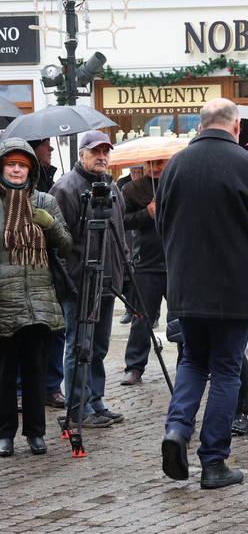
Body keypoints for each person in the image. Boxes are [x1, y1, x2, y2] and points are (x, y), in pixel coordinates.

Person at [157, 98, 248, 489]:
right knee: (227, 369)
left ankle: (177, 430)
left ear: (201, 125)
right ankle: (213, 462)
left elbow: (161, 222)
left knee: (193, 361)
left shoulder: (175, 165)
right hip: (233, 285)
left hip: (186, 285)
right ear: (237, 127)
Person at [50, 130, 128, 428]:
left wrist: (124, 273)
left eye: (106, 151)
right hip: (81, 282)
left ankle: (95, 402)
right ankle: (77, 408)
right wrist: (69, 280)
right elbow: (57, 242)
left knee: (99, 347)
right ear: (81, 154)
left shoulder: (111, 187)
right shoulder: (67, 189)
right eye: (96, 151)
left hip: (109, 281)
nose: (102, 157)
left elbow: (120, 235)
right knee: (80, 346)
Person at [0, 139, 73, 457]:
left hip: (40, 299)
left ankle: (35, 433)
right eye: (10, 164)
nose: (16, 169)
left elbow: (68, 245)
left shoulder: (45, 200)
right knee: (3, 374)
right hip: (3, 300)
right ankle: (4, 435)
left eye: (22, 165)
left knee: (35, 372)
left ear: (30, 169)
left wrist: (50, 224)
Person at [18, 138, 64, 409]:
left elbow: (64, 238)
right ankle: (20, 389)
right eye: (45, 144)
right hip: (15, 272)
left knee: (54, 331)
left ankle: (51, 387)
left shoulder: (50, 182)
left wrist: (50, 223)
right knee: (18, 334)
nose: (50, 148)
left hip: (47, 271)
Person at [120, 159, 169, 386]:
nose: (155, 167)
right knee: (141, 319)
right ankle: (134, 367)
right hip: (146, 263)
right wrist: (146, 213)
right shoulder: (132, 188)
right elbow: (121, 221)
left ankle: (192, 362)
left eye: (161, 162)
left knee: (184, 318)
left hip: (177, 262)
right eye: (151, 163)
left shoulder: (178, 181)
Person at [117, 165, 143, 326]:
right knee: (129, 272)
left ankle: (152, 315)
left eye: (139, 172)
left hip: (143, 236)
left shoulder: (150, 185)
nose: (136, 174)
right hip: (128, 234)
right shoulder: (123, 184)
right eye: (133, 172)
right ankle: (129, 309)